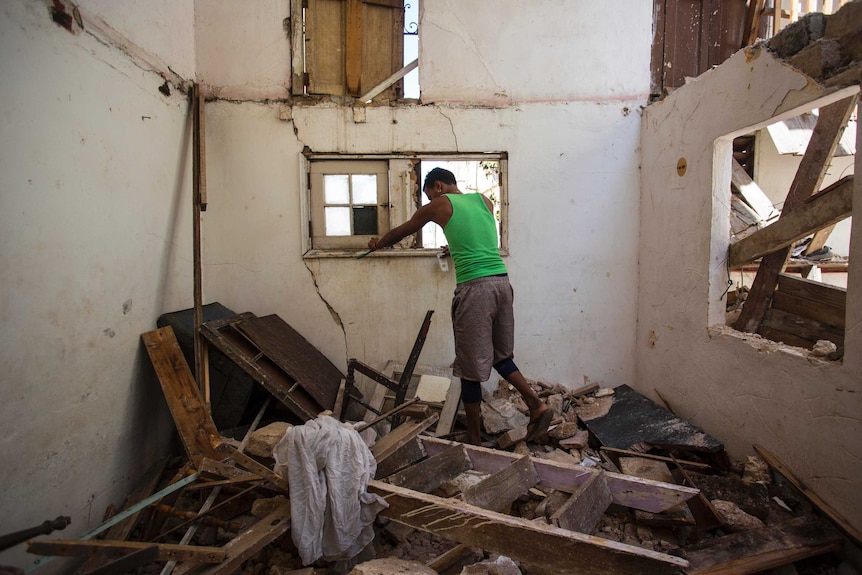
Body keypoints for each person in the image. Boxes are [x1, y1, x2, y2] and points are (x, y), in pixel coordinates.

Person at [368, 167, 552, 445]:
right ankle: (537, 404)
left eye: (429, 194)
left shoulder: (439, 205)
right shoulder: (484, 201)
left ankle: (473, 437)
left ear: (438, 186)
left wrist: (379, 243)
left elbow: (403, 231)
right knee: (501, 356)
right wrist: (453, 250)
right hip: (501, 283)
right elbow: (474, 239)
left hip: (475, 289)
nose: (430, 201)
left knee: (469, 367)